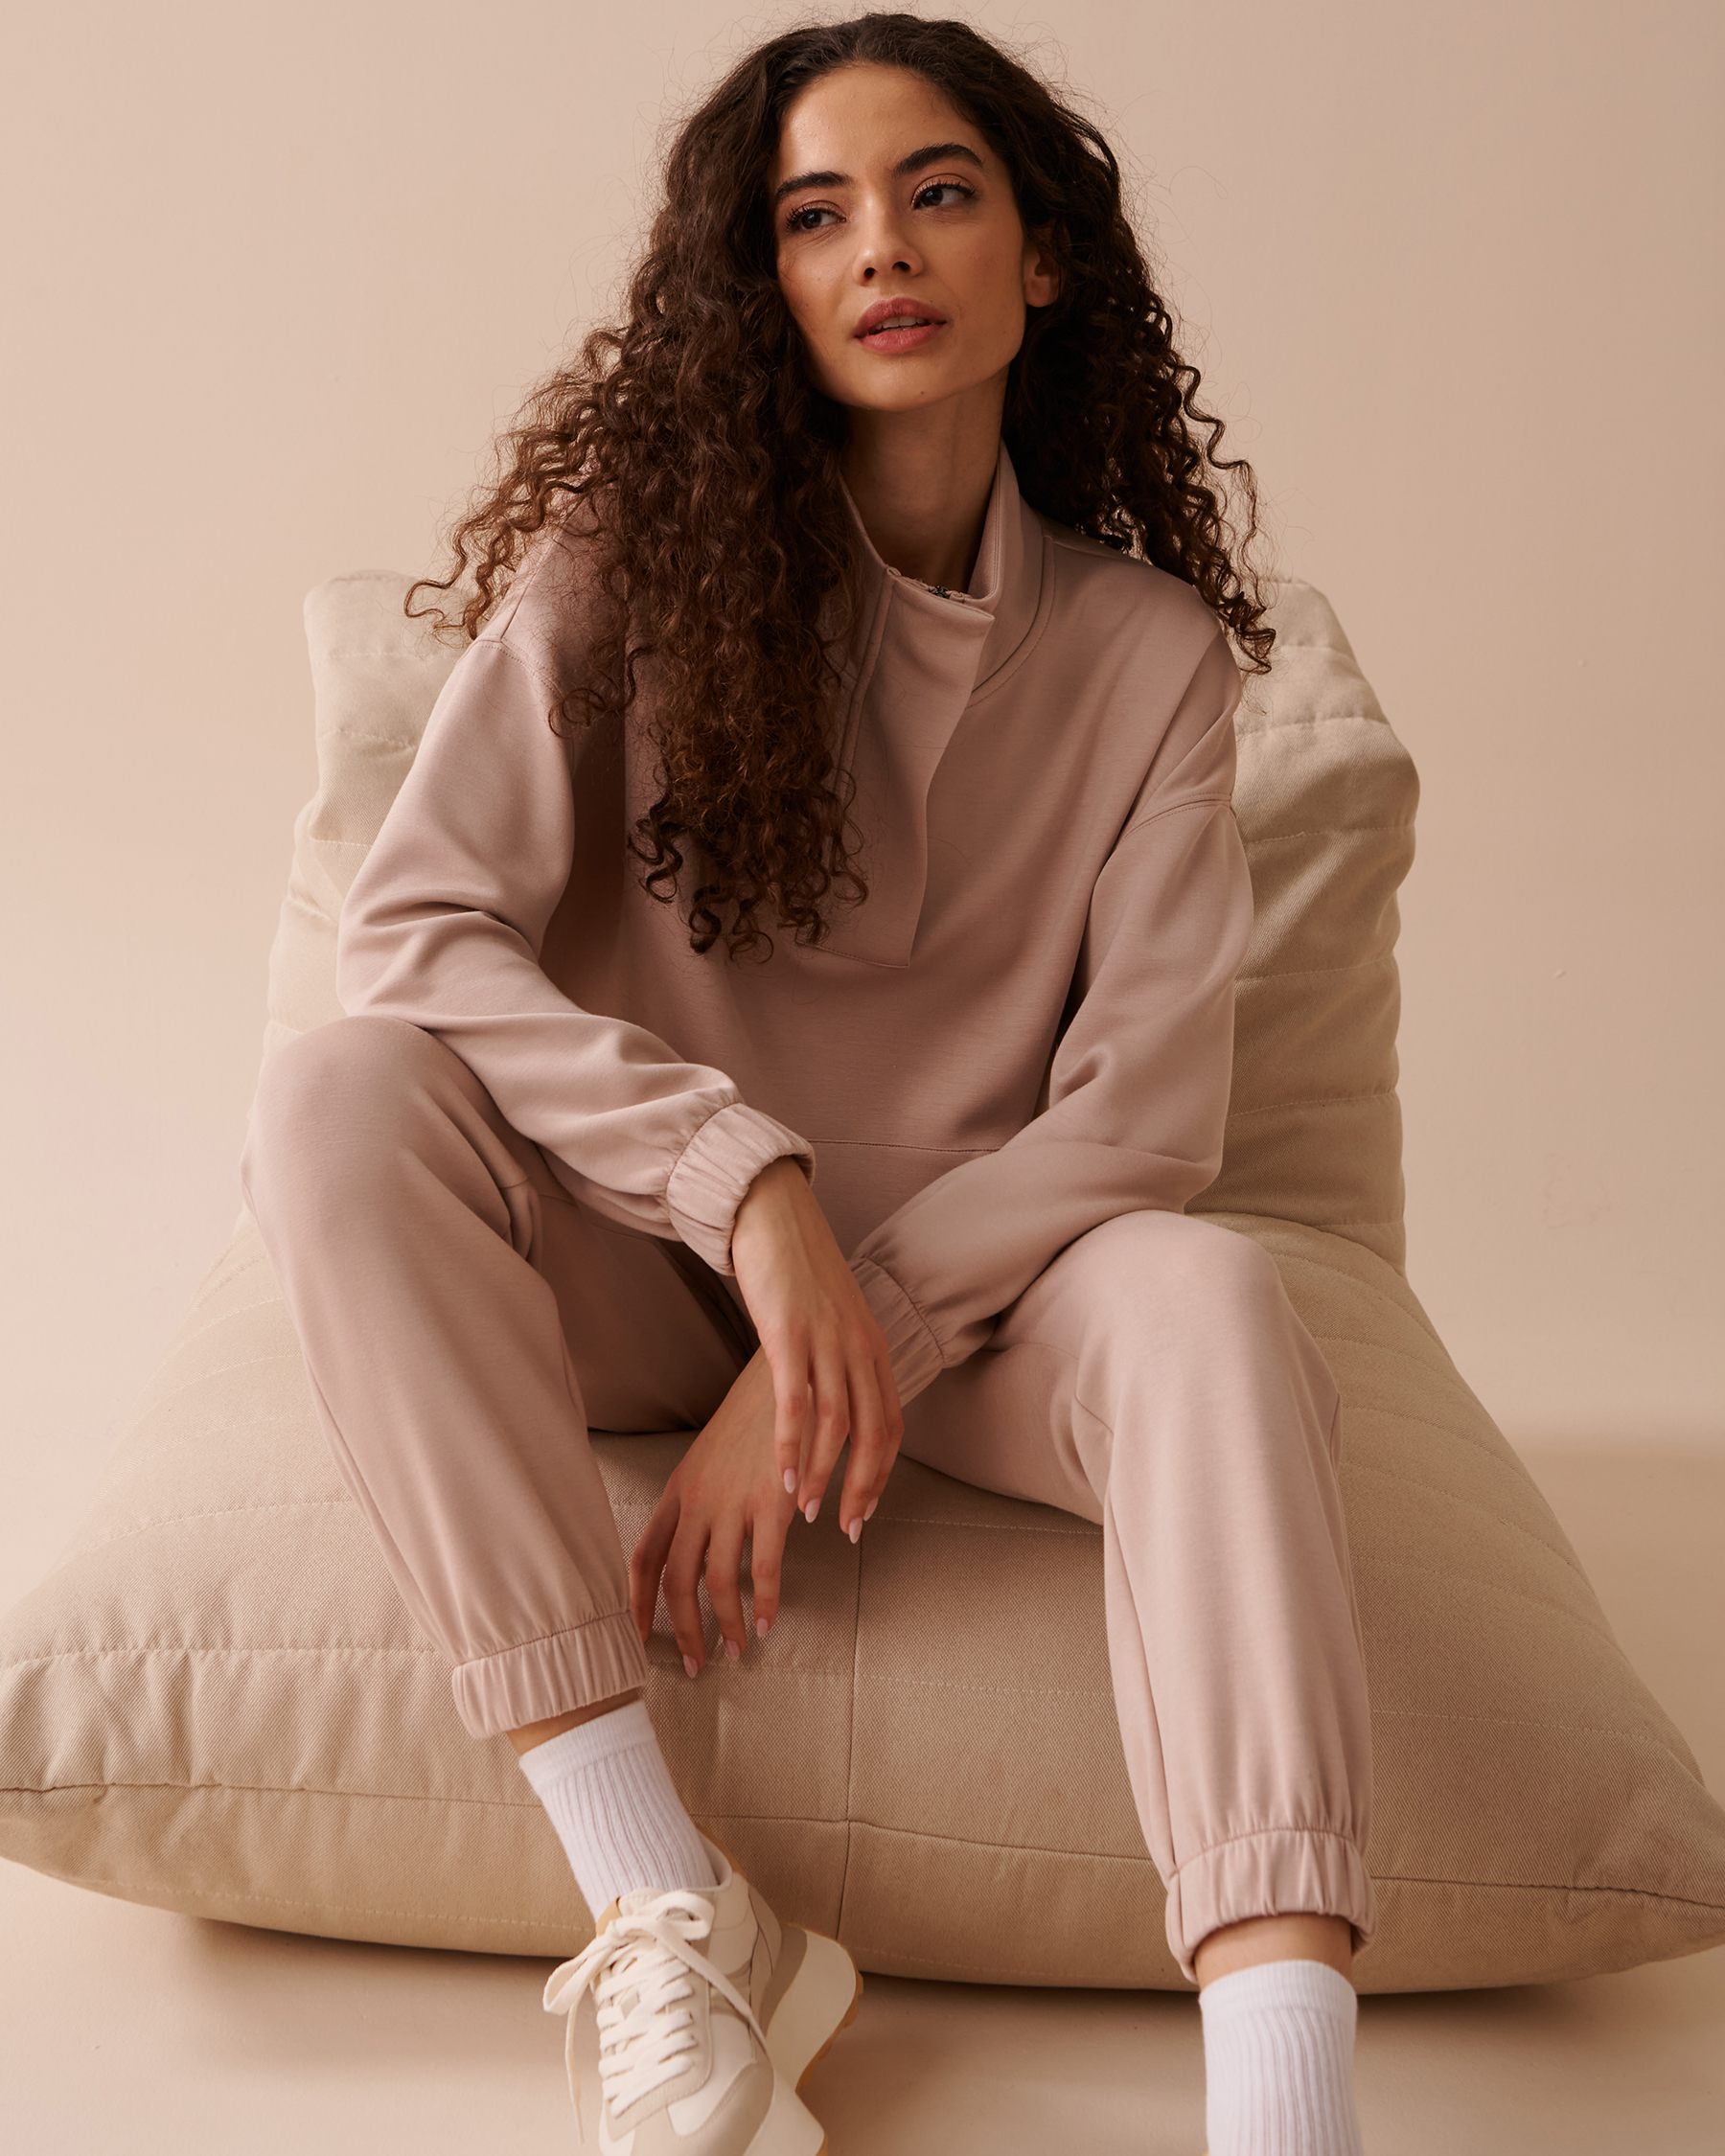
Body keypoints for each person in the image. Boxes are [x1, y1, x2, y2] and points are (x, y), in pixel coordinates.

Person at [240, 14, 1376, 2153]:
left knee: (1222, 1302)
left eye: (939, 193)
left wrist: (847, 1334)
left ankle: (1287, 2105)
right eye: (814, 214)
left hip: (978, 1315)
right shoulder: (626, 568)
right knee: (335, 1104)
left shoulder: (1149, 658)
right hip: (632, 1253)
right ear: (758, 279)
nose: (883, 250)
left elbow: (1145, 1119)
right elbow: (419, 933)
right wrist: (743, 1192)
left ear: (1044, 254)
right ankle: (665, 1906)